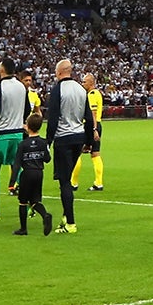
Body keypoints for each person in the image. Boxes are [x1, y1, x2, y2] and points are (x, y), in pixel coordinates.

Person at [0, 59, 31, 224]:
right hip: (18, 134)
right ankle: (29, 206)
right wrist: (19, 121)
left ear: (2, 70)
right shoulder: (21, 86)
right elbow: (28, 110)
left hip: (2, 135)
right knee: (19, 170)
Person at [46, 59, 90, 233]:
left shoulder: (58, 90)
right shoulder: (81, 89)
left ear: (59, 72)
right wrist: (88, 141)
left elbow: (53, 118)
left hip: (63, 138)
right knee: (68, 177)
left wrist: (48, 142)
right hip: (79, 137)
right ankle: (65, 217)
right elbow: (88, 116)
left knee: (64, 182)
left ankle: (70, 223)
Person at [12, 127, 54, 237]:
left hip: (27, 173)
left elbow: (16, 164)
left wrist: (12, 182)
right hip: (39, 173)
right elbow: (47, 159)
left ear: (28, 128)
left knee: (23, 201)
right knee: (35, 200)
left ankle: (23, 229)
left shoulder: (23, 144)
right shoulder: (43, 142)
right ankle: (45, 215)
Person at [82, 71, 105, 190]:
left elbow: (93, 113)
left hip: (91, 126)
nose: (82, 84)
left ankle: (73, 183)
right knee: (95, 153)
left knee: (77, 152)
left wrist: (94, 129)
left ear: (91, 83)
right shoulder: (98, 93)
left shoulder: (91, 95)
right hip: (97, 125)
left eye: (84, 82)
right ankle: (98, 183)